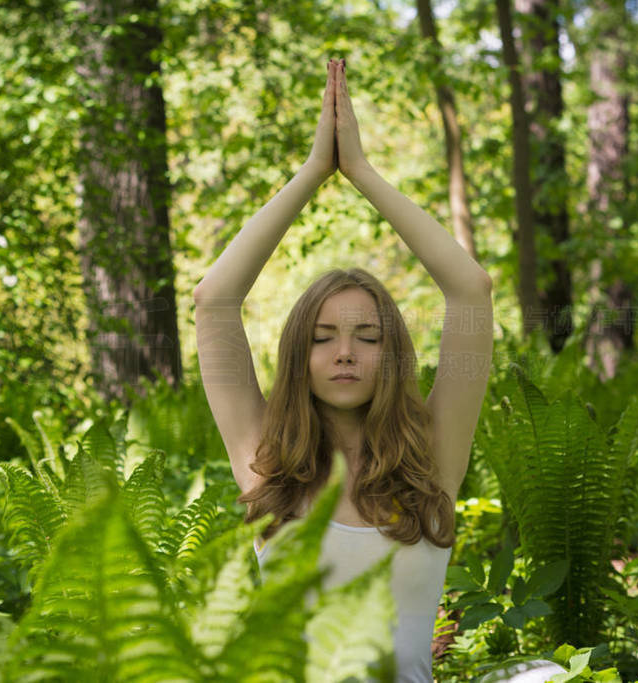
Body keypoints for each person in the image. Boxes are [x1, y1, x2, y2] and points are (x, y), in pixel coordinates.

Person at [193, 58, 493, 683]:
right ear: (298, 356)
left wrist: (360, 171)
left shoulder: (432, 462)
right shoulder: (264, 462)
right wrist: (312, 171)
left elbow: (470, 289)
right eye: (323, 337)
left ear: (393, 356)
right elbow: (213, 298)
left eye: (368, 337)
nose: (345, 352)